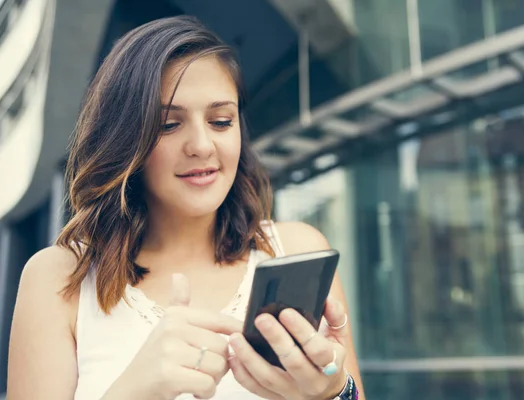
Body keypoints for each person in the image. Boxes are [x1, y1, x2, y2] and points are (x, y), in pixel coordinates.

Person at [7, 15, 364, 400]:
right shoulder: (59, 279)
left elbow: (349, 391)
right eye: (169, 125)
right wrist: (133, 391)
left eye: (221, 121)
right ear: (126, 138)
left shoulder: (296, 250)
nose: (202, 145)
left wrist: (335, 390)